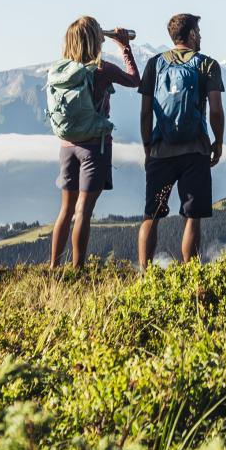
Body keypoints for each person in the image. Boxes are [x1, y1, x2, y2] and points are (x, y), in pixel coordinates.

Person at [45, 16, 140, 268]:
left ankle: (54, 267)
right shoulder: (102, 70)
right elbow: (134, 80)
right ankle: (77, 269)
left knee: (65, 211)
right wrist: (124, 47)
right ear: (94, 40)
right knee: (83, 212)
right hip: (94, 147)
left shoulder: (60, 72)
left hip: (67, 147)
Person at [138, 12, 225, 269]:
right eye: (198, 31)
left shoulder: (154, 64)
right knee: (192, 217)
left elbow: (145, 112)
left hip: (160, 151)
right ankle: (190, 274)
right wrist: (218, 142)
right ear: (191, 34)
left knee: (151, 215)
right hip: (194, 151)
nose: (201, 36)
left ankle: (144, 274)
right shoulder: (207, 65)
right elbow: (217, 110)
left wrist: (147, 147)